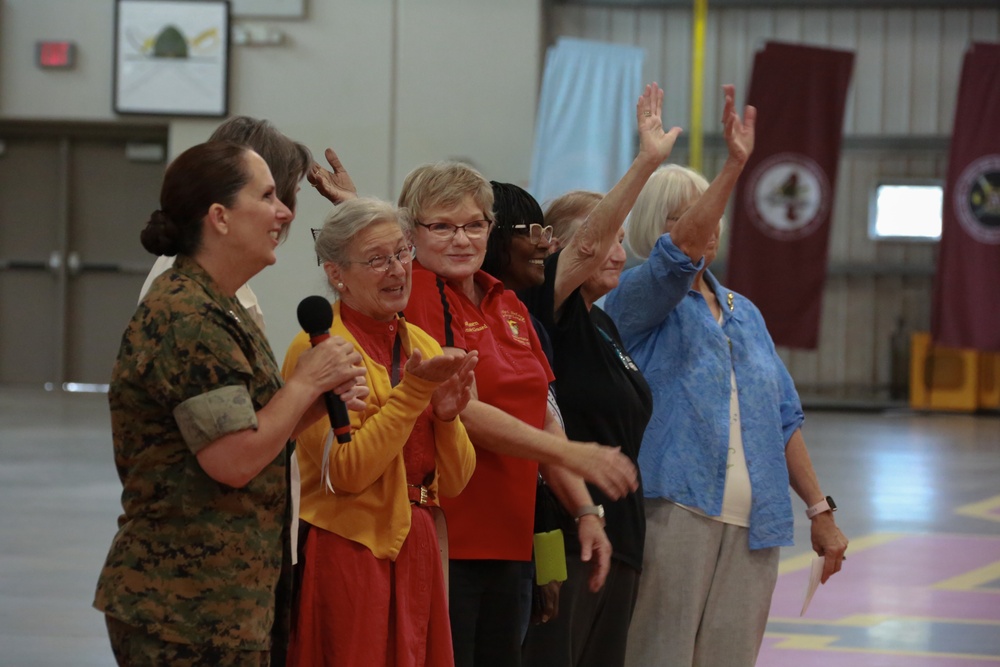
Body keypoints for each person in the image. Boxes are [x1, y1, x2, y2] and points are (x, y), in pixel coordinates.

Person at [94, 141, 368, 665]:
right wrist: (304, 386)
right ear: (219, 217)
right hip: (182, 607)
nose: (284, 212)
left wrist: (310, 407)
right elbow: (233, 460)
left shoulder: (219, 308)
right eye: (267, 196)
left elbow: (245, 432)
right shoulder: (188, 316)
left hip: (222, 599)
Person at [604, 85, 849, 667]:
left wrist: (820, 510)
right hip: (674, 513)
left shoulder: (744, 310)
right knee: (658, 657)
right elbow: (677, 256)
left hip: (756, 522)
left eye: (711, 209)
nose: (706, 223)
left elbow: (783, 417)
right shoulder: (635, 301)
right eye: (689, 214)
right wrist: (735, 167)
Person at [397, 160, 638, 667]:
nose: (460, 239)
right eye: (441, 226)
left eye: (474, 225)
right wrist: (573, 453)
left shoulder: (506, 300)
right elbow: (464, 411)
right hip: (446, 536)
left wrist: (585, 511)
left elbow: (544, 412)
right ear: (413, 231)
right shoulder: (418, 292)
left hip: (510, 540)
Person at [509, 83, 680, 667]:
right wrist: (646, 163)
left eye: (619, 236)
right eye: (604, 235)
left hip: (621, 540)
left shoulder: (604, 328)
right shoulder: (546, 314)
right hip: (565, 533)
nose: (616, 249)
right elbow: (584, 248)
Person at [282, 197, 477, 666]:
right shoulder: (318, 349)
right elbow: (347, 471)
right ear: (336, 274)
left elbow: (453, 482)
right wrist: (413, 394)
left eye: (402, 253)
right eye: (376, 259)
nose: (396, 270)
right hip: (350, 549)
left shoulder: (421, 343)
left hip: (419, 543)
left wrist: (447, 419)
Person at [137, 117, 358, 324]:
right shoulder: (190, 301)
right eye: (268, 195)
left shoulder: (213, 282)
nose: (287, 213)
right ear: (222, 212)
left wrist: (352, 210)